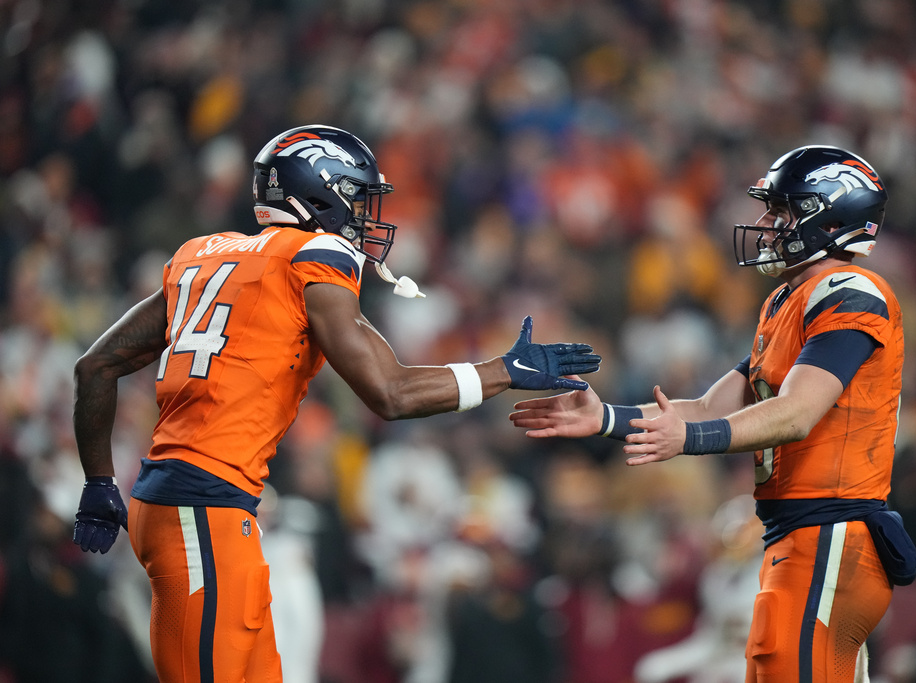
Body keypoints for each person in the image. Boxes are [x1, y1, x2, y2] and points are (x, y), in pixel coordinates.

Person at [70, 124, 601, 683]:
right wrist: (503, 372)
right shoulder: (315, 254)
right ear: (320, 193)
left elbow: (95, 368)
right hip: (201, 508)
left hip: (212, 509)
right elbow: (390, 394)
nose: (365, 218)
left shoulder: (205, 254)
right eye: (358, 198)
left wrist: (100, 483)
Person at [510, 145, 916, 683]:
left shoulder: (849, 292)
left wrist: (690, 439)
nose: (766, 223)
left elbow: (796, 413)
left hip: (832, 530)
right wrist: (604, 417)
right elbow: (706, 405)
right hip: (798, 535)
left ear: (830, 216)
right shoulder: (784, 303)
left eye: (783, 210)